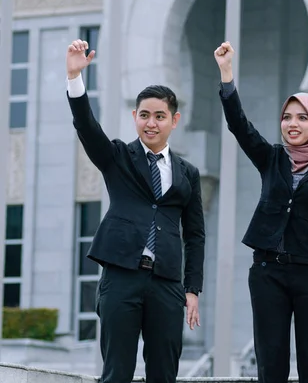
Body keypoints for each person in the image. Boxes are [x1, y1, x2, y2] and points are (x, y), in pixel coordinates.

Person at [214, 41, 308, 383]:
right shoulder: (272, 157)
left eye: (302, 117)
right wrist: (227, 75)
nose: (293, 124)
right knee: (271, 365)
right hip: (268, 274)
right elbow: (240, 128)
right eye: (287, 117)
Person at [65, 39, 206, 383]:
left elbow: (196, 235)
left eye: (159, 116)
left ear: (174, 120)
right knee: (116, 372)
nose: (151, 124)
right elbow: (87, 127)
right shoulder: (118, 157)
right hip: (121, 277)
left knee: (164, 373)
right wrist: (74, 79)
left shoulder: (188, 173)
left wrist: (192, 290)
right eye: (144, 116)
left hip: (166, 283)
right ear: (135, 117)